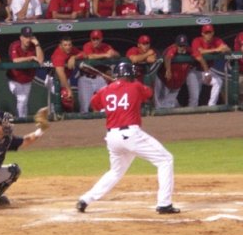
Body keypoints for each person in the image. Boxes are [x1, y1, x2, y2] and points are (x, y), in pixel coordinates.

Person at [76, 62, 180, 215]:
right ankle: (164, 204)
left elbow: (94, 104)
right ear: (129, 75)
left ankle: (85, 199)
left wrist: (111, 88)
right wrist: (124, 86)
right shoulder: (136, 86)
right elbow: (149, 93)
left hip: (112, 138)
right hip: (130, 135)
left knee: (115, 172)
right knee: (165, 160)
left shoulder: (105, 90)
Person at [187, 24, 231, 107]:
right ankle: (190, 118)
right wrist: (216, 49)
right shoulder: (197, 40)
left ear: (213, 32)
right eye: (206, 33)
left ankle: (211, 106)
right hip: (194, 72)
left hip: (206, 71)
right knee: (194, 98)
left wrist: (225, 49)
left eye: (210, 32)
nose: (208, 35)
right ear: (202, 34)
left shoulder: (217, 40)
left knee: (218, 81)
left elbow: (227, 49)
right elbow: (200, 52)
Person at [7, 26, 44, 118]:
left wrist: (37, 44)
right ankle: (21, 120)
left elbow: (40, 60)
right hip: (14, 79)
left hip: (27, 79)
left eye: (29, 37)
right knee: (22, 99)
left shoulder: (33, 46)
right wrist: (30, 58)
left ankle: (24, 122)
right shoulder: (15, 45)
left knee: (24, 102)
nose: (28, 39)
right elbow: (15, 60)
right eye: (26, 37)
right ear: (21, 37)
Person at [79, 29, 119, 113]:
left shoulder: (106, 46)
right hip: (86, 79)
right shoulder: (87, 45)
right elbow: (90, 56)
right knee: (84, 108)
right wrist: (105, 55)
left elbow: (117, 55)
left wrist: (113, 53)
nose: (95, 41)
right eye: (93, 39)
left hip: (100, 78)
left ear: (101, 39)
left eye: (97, 39)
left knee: (105, 105)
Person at [154, 34, 192, 109]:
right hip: (163, 81)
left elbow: (198, 55)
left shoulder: (189, 50)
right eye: (180, 45)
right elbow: (167, 58)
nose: (182, 48)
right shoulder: (170, 49)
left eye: (184, 45)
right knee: (159, 105)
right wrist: (168, 70)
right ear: (176, 44)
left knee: (169, 105)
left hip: (176, 84)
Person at [51, 36, 85, 112]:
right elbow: (61, 73)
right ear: (60, 46)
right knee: (62, 96)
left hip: (66, 77)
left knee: (68, 100)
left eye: (69, 45)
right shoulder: (58, 54)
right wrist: (68, 89)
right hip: (53, 79)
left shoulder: (72, 50)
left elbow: (84, 54)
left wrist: (74, 57)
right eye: (65, 45)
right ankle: (54, 114)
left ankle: (67, 118)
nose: (68, 47)